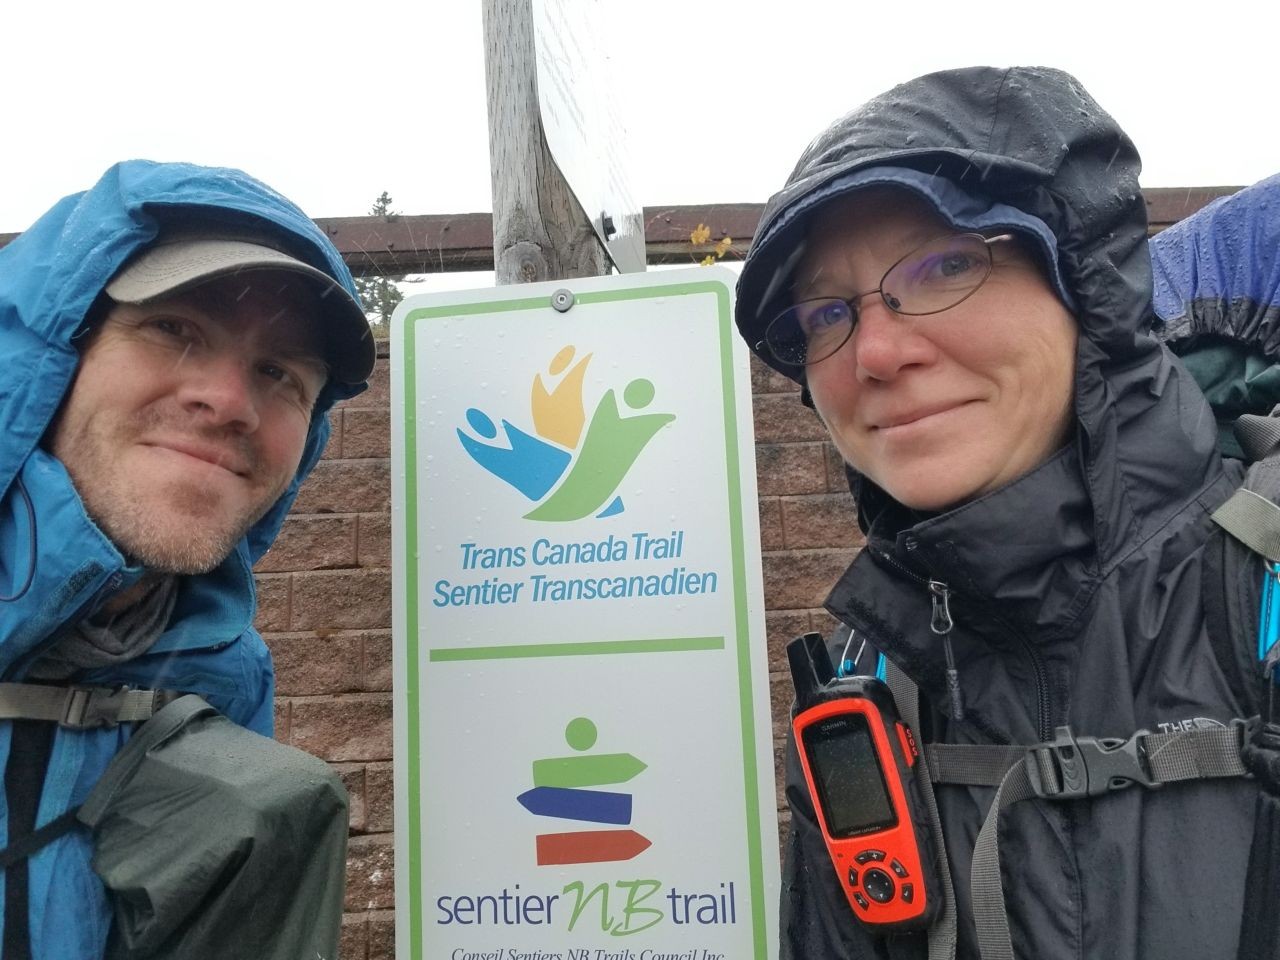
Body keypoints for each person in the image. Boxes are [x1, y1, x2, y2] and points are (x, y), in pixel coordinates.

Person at [735, 67, 1261, 959]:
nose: (876, 351)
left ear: (1087, 286)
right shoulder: (871, 688)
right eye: (825, 312)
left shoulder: (1261, 593)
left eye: (944, 264)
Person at [0, 160, 375, 958]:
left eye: (279, 373)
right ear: (52, 357)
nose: (230, 401)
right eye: (174, 329)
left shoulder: (219, 689)